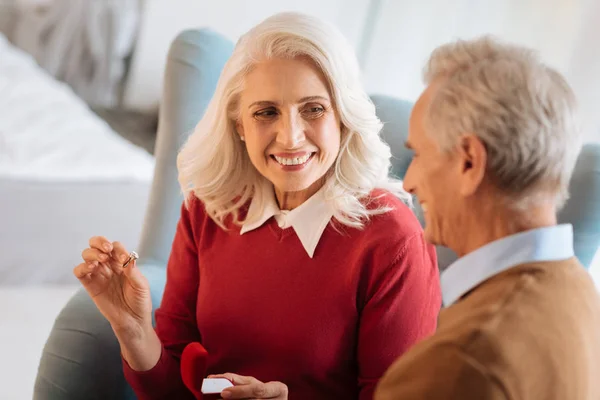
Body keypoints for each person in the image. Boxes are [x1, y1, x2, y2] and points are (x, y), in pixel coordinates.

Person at [73, 12, 442, 400]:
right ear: (239, 126)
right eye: (267, 112)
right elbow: (174, 391)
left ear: (343, 118)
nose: (290, 137)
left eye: (313, 109)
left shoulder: (392, 239)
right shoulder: (208, 209)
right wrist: (133, 330)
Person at [374, 36, 600, 399]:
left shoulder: (459, 363)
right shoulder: (578, 289)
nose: (410, 182)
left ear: (469, 162)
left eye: (417, 154)